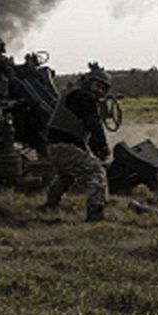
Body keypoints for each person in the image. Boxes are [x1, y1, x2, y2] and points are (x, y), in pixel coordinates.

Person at [42, 65, 112, 222]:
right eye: (97, 85)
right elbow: (93, 124)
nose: (99, 91)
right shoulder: (85, 97)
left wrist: (95, 149)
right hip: (65, 147)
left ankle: (50, 204)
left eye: (103, 88)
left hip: (55, 147)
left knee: (67, 175)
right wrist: (102, 147)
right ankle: (95, 211)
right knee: (96, 172)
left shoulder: (73, 94)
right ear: (88, 83)